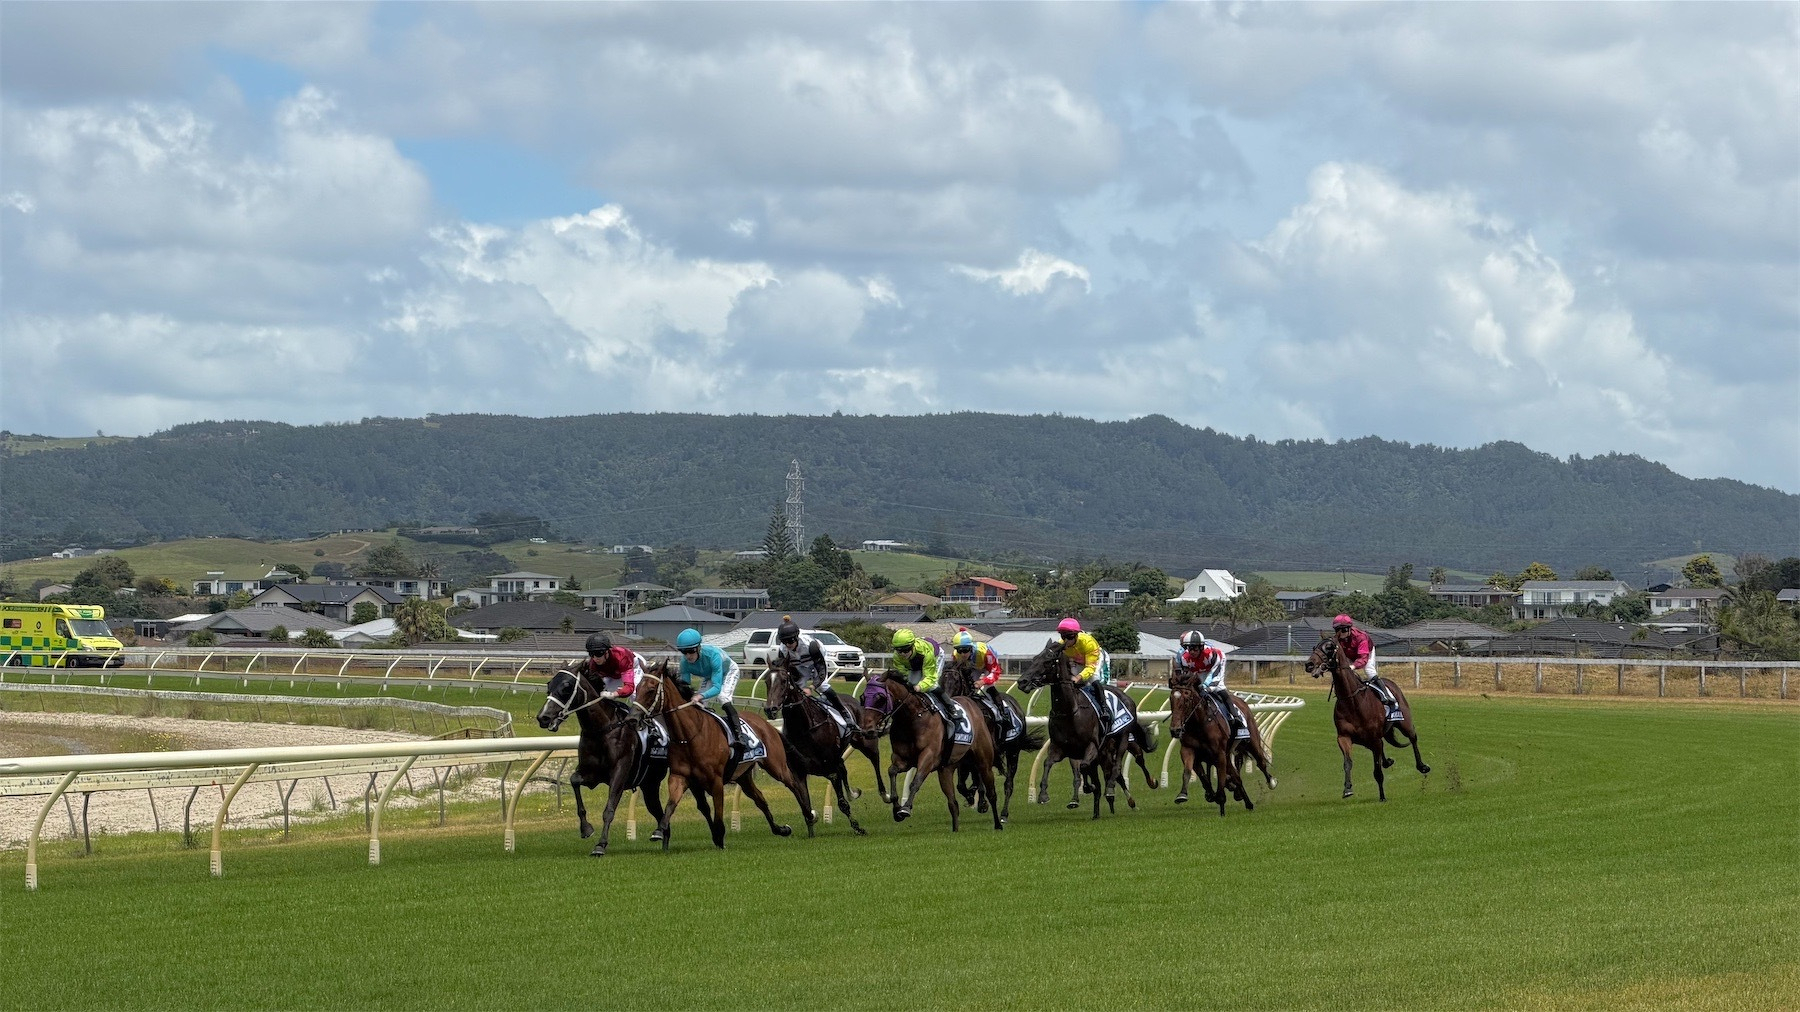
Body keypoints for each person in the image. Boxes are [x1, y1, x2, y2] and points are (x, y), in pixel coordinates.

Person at [771, 617, 856, 726]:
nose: (788, 645)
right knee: (797, 687)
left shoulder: (811, 645)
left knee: (822, 686)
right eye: (784, 641)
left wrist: (811, 687)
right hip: (800, 665)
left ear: (796, 637)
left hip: (815, 662)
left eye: (791, 641)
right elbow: (784, 668)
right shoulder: (783, 649)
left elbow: (821, 672)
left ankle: (844, 712)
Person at [674, 627, 742, 753]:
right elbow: (685, 686)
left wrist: (700, 696)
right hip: (710, 675)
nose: (688, 656)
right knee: (699, 704)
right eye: (684, 652)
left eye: (691, 651)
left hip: (728, 671)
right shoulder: (684, 663)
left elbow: (717, 687)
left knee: (723, 697)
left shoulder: (713, 655)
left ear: (699, 647)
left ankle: (739, 735)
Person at [1176, 630, 1244, 736]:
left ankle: (1237, 717)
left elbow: (1215, 674)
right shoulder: (1184, 658)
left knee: (1219, 689)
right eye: (1189, 648)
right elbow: (1188, 677)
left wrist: (1207, 687)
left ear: (1201, 647)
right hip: (1200, 669)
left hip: (1214, 666)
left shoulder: (1212, 654)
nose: (1192, 651)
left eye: (1195, 648)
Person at [950, 629, 1012, 735]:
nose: (963, 654)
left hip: (987, 666)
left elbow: (995, 672)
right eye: (959, 650)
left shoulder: (985, 652)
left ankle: (1003, 714)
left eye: (965, 650)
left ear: (971, 647)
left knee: (989, 688)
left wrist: (983, 681)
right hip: (972, 668)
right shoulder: (956, 655)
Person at [1333, 614, 1398, 711]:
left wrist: (1353, 667)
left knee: (1370, 671)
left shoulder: (1361, 637)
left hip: (1366, 652)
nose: (1340, 634)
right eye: (1337, 630)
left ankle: (1387, 695)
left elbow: (1363, 659)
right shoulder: (1337, 639)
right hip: (1349, 655)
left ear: (1349, 629)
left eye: (1343, 630)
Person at [891, 627, 956, 724]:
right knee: (911, 683)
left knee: (932, 686)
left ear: (912, 646)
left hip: (935, 656)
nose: (903, 654)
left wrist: (920, 686)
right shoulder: (897, 656)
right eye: (899, 651)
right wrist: (912, 681)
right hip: (916, 663)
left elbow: (930, 677)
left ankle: (950, 707)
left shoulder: (926, 653)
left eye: (906, 650)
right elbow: (902, 670)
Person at [1056, 617, 1112, 716]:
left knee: (1094, 679)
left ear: (1076, 635)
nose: (1066, 641)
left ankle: (1105, 708)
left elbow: (1090, 667)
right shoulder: (1061, 645)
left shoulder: (1088, 642)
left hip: (1096, 659)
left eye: (1069, 637)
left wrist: (1079, 677)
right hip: (1078, 661)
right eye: (1063, 637)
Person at [578, 632, 644, 701]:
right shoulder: (593, 664)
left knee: (635, 694)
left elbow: (629, 687)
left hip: (634, 666)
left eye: (598, 653)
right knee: (603, 695)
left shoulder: (622, 657)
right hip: (613, 674)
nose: (595, 658)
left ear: (607, 652)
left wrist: (614, 694)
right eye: (591, 654)